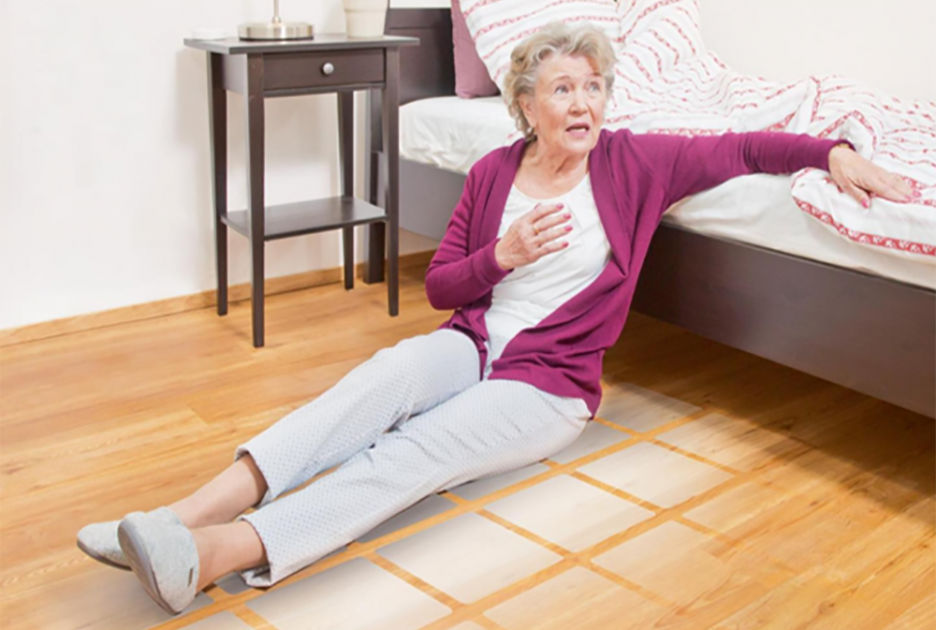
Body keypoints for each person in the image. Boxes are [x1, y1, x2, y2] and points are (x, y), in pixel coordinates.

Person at [77, 22, 916, 615]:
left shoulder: (637, 161)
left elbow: (743, 148)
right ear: (525, 104)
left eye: (594, 87)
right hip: (474, 343)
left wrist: (831, 153)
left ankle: (222, 555)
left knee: (411, 454)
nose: (583, 103)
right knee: (380, 381)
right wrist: (502, 257)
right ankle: (182, 517)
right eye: (562, 88)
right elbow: (445, 288)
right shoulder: (490, 172)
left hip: (547, 389)